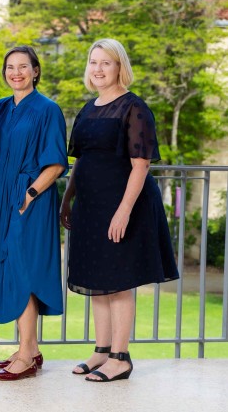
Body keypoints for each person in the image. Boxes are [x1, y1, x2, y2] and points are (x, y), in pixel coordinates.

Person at [61, 38, 179, 382]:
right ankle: (101, 350)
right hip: (90, 206)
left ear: (119, 67)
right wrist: (68, 198)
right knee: (98, 279)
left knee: (118, 282)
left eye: (106, 63)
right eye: (94, 62)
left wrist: (124, 211)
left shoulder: (134, 107)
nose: (98, 69)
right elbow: (80, 160)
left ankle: (121, 356)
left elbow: (141, 164)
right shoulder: (88, 108)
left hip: (123, 204)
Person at [0, 46, 67, 381]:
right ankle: (28, 346)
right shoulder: (0, 108)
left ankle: (27, 355)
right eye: (10, 67)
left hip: (32, 198)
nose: (16, 73)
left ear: (36, 71)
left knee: (23, 268)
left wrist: (30, 193)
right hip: (2, 198)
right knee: (6, 266)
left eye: (23, 67)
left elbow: (56, 162)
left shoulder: (48, 110)